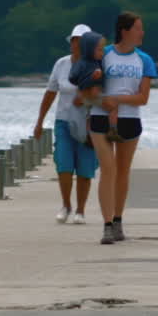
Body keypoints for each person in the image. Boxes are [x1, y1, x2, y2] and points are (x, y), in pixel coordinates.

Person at [90, 12, 158, 244]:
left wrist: (117, 100)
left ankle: (118, 219)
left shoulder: (144, 60)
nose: (142, 33)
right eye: (138, 28)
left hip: (130, 119)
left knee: (122, 171)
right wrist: (103, 101)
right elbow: (89, 87)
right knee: (107, 169)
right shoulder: (104, 54)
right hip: (100, 117)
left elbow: (143, 98)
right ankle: (107, 224)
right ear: (124, 30)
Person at [33, 24, 96, 224]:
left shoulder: (97, 65)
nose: (75, 44)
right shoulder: (61, 64)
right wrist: (39, 122)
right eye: (73, 40)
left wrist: (86, 98)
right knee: (64, 165)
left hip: (88, 124)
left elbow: (105, 95)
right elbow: (50, 93)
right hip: (64, 122)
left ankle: (81, 210)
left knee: (85, 170)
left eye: (79, 41)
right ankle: (66, 204)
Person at [68, 31, 120, 141]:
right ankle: (113, 129)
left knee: (89, 116)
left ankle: (88, 136)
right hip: (92, 96)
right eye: (99, 50)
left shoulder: (95, 62)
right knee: (113, 107)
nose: (102, 53)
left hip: (87, 97)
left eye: (103, 49)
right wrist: (91, 78)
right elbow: (73, 78)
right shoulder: (84, 63)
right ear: (90, 49)